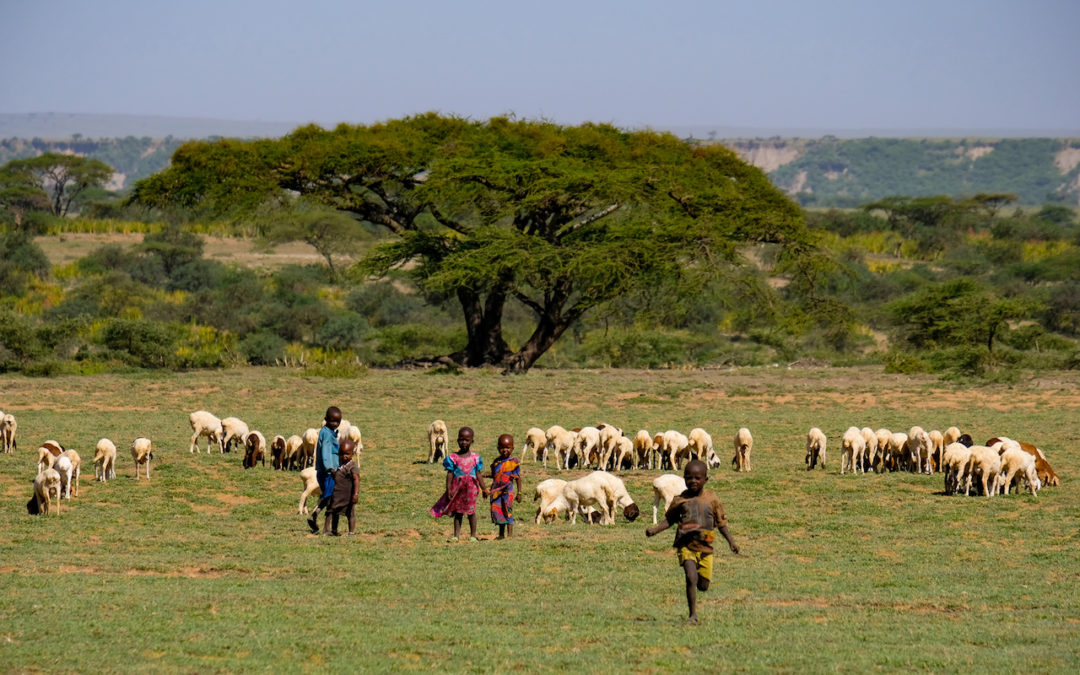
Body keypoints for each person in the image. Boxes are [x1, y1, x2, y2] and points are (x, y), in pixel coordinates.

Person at [645, 459, 739, 624]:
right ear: (684, 479)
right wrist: (655, 530)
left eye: (697, 478)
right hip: (685, 545)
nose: (693, 481)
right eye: (689, 478)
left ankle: (698, 589)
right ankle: (693, 615)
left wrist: (731, 542)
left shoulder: (712, 499)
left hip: (706, 547)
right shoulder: (680, 500)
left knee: (703, 585)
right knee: (690, 577)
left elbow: (721, 524)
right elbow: (670, 520)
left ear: (705, 480)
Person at [429, 426, 488, 541]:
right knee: (458, 512)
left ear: (472, 441)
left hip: (471, 489)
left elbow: (478, 474)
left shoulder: (475, 458)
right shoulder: (453, 458)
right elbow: (450, 474)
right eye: (461, 439)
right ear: (457, 440)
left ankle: (473, 535)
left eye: (467, 440)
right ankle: (456, 536)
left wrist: (484, 489)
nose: (464, 442)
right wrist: (448, 489)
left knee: (471, 512)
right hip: (457, 489)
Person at [307, 406, 342, 534]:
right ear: (326, 419)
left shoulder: (330, 433)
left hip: (327, 472)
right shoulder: (326, 434)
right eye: (333, 421)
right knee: (330, 498)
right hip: (328, 473)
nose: (336, 424)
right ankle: (318, 515)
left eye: (338, 421)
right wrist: (331, 468)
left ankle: (319, 517)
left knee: (330, 498)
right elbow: (326, 453)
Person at [488, 434, 522, 539]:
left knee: (508, 510)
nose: (504, 450)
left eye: (507, 448)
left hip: (508, 491)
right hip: (496, 492)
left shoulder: (514, 462)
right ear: (498, 448)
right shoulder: (496, 462)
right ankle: (501, 534)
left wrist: (519, 493)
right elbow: (494, 475)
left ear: (512, 448)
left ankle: (510, 535)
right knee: (499, 512)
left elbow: (518, 478)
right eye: (502, 448)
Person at [326, 438, 360, 536]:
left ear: (352, 454)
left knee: (350, 514)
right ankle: (334, 530)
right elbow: (337, 474)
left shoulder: (352, 467)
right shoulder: (339, 464)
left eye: (347, 454)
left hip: (348, 495)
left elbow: (356, 480)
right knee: (335, 512)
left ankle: (351, 532)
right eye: (341, 454)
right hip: (337, 494)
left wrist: (356, 494)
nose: (344, 456)